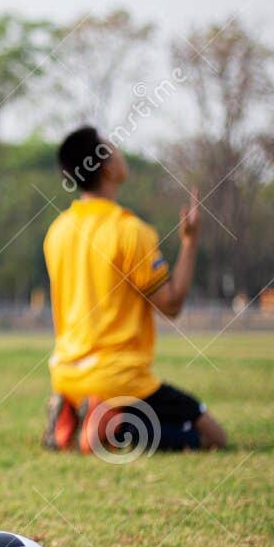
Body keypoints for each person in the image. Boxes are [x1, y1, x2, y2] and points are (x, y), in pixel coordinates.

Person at [41, 126, 228, 454]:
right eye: (113, 148)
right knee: (213, 436)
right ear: (109, 169)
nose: (120, 151)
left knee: (166, 420)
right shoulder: (131, 231)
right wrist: (190, 242)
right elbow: (171, 305)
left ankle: (70, 420)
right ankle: (112, 429)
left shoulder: (58, 231)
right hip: (116, 379)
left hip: (65, 376)